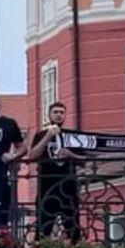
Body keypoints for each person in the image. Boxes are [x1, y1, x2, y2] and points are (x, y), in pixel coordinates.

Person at [26, 101, 81, 239]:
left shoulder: (71, 136)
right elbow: (32, 156)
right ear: (49, 115)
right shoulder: (41, 135)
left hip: (68, 187)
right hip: (47, 186)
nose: (58, 115)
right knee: (43, 228)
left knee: (73, 228)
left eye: (61, 112)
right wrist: (47, 137)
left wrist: (70, 154)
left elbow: (84, 161)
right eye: (55, 112)